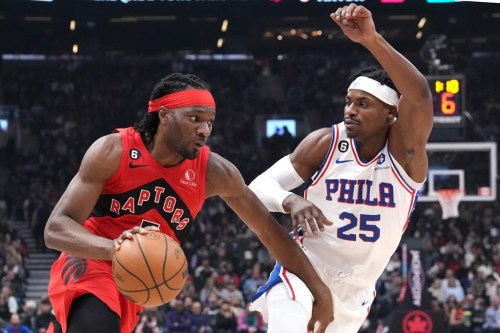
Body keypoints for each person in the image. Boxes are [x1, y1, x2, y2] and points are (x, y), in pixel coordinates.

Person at [43, 73, 333, 333]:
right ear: (165, 115)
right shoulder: (113, 151)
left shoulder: (215, 172)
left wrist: (321, 291)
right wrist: (114, 250)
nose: (205, 130)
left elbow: (270, 233)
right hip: (91, 257)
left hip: (137, 279)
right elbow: (55, 229)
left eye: (209, 122)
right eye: (195, 118)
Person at [248, 4, 433, 333]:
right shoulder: (325, 143)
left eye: (363, 104)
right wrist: (292, 200)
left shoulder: (406, 156)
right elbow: (258, 187)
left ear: (391, 113)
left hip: (355, 295)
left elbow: (418, 95)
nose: (350, 111)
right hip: (303, 268)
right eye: (348, 101)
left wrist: (372, 39)